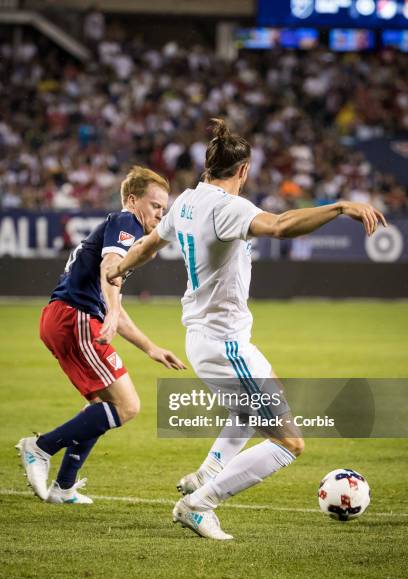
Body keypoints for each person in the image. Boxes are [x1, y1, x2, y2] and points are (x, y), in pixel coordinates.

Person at [106, 120, 387, 539]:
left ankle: (205, 476)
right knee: (288, 443)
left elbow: (149, 244)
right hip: (224, 343)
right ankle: (199, 505)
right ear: (243, 171)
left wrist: (120, 268)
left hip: (208, 336)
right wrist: (340, 207)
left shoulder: (186, 202)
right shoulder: (226, 207)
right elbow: (280, 225)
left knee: (249, 410)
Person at [16, 166, 186, 504]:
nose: (160, 213)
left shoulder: (125, 234)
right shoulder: (126, 223)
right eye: (155, 205)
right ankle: (40, 447)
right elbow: (109, 271)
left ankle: (63, 488)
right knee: (127, 406)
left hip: (64, 317)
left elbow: (116, 304)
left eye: (164, 208)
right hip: (74, 317)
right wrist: (107, 312)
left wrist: (150, 347)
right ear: (132, 199)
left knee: (100, 407)